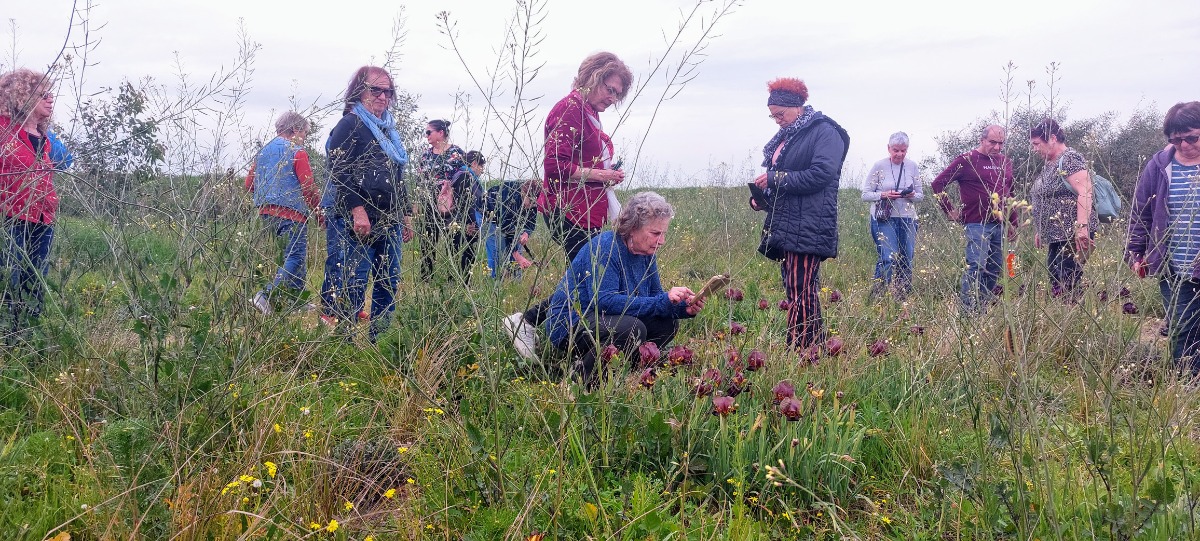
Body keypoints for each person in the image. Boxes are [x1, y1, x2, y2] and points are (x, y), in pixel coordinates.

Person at [505, 52, 633, 359]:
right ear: (593, 77)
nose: (612, 98)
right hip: (568, 209)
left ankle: (545, 329)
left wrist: (603, 176)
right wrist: (601, 174)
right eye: (610, 89)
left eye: (618, 94)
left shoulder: (587, 112)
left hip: (586, 209)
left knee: (585, 277)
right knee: (590, 278)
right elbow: (555, 167)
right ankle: (552, 334)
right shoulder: (569, 109)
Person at [545, 191, 705, 384]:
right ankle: (580, 379)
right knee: (631, 329)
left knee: (667, 324)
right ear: (633, 228)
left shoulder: (647, 254)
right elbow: (604, 301)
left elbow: (654, 297)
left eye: (664, 234)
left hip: (603, 320)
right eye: (655, 233)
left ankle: (625, 370)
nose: (661, 241)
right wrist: (662, 301)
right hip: (571, 322)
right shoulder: (606, 247)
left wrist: (681, 308)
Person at [751, 77, 850, 359]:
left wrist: (775, 177)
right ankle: (812, 349)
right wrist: (763, 197)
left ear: (797, 106)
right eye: (773, 116)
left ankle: (799, 349)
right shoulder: (789, 135)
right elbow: (787, 182)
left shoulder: (825, 132)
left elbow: (821, 175)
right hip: (786, 222)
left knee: (801, 289)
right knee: (797, 288)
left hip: (810, 223)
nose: (777, 120)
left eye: (780, 114)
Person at [321, 66, 414, 342]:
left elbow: (397, 175)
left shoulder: (388, 130)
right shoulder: (350, 124)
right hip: (358, 221)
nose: (383, 97)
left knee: (388, 281)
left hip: (389, 220)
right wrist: (357, 209)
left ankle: (381, 343)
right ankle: (344, 343)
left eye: (388, 91)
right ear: (360, 91)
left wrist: (406, 214)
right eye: (376, 90)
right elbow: (338, 168)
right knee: (354, 282)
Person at [1127, 101, 1200, 373]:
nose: (1183, 145)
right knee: (1182, 330)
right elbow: (1141, 212)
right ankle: (1186, 389)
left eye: (1191, 137)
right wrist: (1136, 253)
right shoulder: (1159, 166)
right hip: (1174, 267)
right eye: (1176, 140)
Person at [0, 68, 59, 344]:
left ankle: (28, 343)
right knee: (8, 282)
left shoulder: (46, 140)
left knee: (34, 284)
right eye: (42, 94)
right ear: (22, 95)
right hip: (9, 218)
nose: (50, 99)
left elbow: (65, 162)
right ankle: (6, 342)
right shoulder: (3, 131)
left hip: (42, 220)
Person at [931, 124, 1016, 314]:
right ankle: (968, 313)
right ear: (982, 140)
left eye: (1000, 143)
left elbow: (1010, 192)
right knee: (976, 267)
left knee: (994, 268)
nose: (996, 147)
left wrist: (1013, 221)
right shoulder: (967, 160)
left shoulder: (1005, 162)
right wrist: (950, 211)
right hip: (977, 223)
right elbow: (937, 184)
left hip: (1000, 224)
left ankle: (982, 309)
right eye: (992, 142)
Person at [244, 111, 321, 314]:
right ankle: (265, 296)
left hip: (266, 213)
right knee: (294, 255)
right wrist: (319, 212)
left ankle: (297, 300)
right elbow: (308, 186)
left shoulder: (262, 153)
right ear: (295, 130)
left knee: (291, 255)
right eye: (304, 133)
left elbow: (248, 183)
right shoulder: (297, 152)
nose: (304, 138)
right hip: (292, 213)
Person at [1029, 119, 1095, 301]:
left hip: (1070, 232)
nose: (1034, 149)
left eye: (1036, 144)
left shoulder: (1070, 158)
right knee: (1055, 276)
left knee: (1068, 278)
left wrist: (1081, 228)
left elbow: (1085, 191)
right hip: (1055, 233)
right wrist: (1040, 228)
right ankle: (1064, 315)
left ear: (1052, 138)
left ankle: (1073, 319)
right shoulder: (1051, 162)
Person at [861, 131, 923, 300]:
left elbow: (920, 196)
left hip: (907, 217)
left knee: (906, 258)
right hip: (884, 217)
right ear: (889, 148)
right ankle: (878, 297)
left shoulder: (912, 166)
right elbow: (865, 195)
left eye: (903, 150)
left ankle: (901, 297)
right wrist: (883, 194)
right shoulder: (879, 166)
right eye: (896, 150)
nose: (899, 154)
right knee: (888, 257)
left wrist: (910, 195)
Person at [414, 119, 465, 280]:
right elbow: (419, 181)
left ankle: (452, 280)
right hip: (429, 204)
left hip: (451, 206)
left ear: (440, 133)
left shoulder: (457, 153)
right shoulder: (426, 155)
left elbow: (465, 179)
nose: (426, 135)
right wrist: (415, 205)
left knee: (453, 242)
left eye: (429, 132)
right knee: (427, 243)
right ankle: (426, 280)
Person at [444, 150, 486, 283]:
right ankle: (462, 284)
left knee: (457, 253)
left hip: (458, 223)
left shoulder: (460, 174)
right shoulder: (466, 176)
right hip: (463, 225)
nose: (482, 170)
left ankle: (458, 284)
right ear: (474, 163)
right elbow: (464, 202)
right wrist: (469, 223)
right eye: (481, 166)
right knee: (464, 254)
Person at [484, 179, 537, 280]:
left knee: (516, 247)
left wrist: (526, 233)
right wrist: (516, 254)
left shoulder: (534, 197)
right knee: (496, 249)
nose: (531, 206)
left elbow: (531, 220)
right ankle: (493, 282)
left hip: (505, 222)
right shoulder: (509, 196)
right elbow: (506, 229)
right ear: (524, 193)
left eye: (535, 204)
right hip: (488, 215)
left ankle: (516, 282)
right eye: (531, 202)